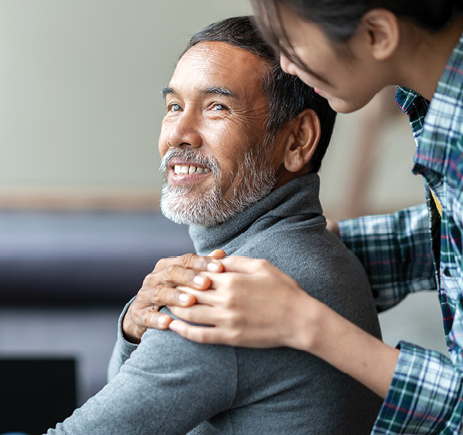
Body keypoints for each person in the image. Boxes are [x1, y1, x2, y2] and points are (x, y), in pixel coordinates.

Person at [125, 1, 463, 433]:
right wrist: (320, 257)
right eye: (173, 105)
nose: (287, 63)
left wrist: (305, 320)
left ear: (377, 34)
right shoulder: (433, 106)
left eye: (294, 41)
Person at [45, 16, 383, 434]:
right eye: (173, 106)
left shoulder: (232, 294)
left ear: (297, 141)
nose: (179, 135)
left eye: (216, 107)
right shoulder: (319, 254)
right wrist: (136, 326)